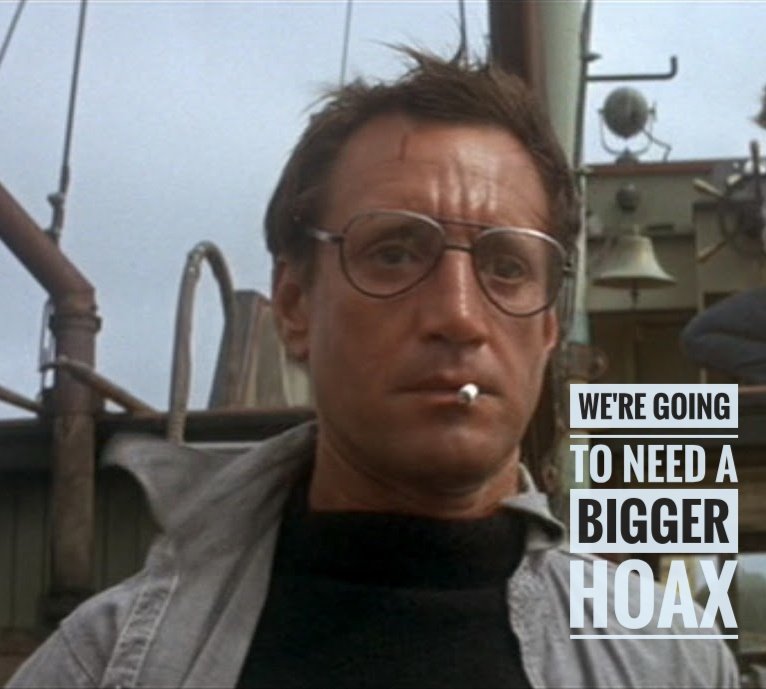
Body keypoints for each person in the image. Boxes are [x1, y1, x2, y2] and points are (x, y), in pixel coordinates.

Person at [8, 49, 738, 689]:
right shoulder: (101, 665)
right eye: (394, 253)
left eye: (508, 266)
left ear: (548, 327)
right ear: (295, 304)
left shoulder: (672, 664)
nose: (458, 315)